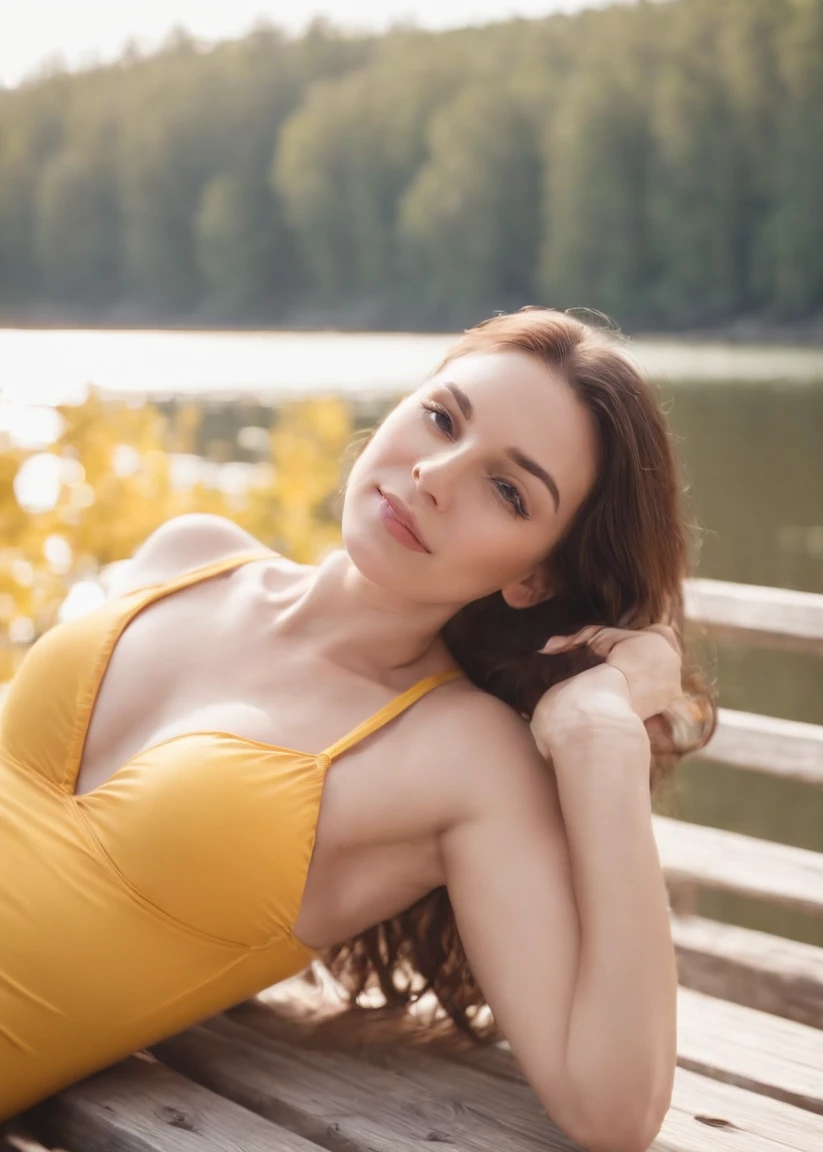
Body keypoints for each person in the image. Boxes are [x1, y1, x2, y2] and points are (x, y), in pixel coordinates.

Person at [0, 306, 715, 1152]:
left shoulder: (457, 756)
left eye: (508, 490)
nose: (438, 474)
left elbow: (615, 1108)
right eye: (442, 417)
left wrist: (601, 731)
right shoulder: (191, 555)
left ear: (535, 577)